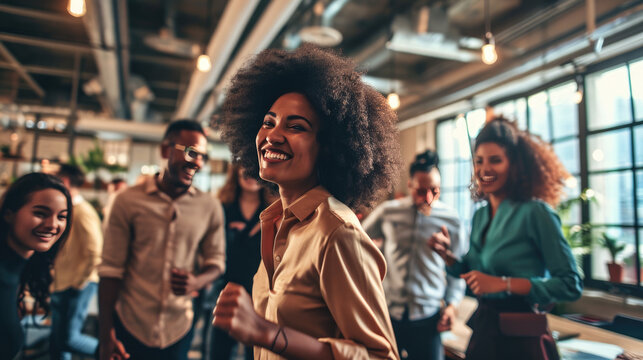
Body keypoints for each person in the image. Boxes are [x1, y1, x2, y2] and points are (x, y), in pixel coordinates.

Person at [212, 44, 401, 360]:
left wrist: (266, 333)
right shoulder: (276, 223)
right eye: (268, 122)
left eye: (296, 126)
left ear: (329, 147)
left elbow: (382, 356)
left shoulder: (337, 234)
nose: (272, 135)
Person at [429, 117, 583, 360]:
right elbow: (473, 270)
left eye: (495, 160)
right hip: (485, 332)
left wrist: (503, 283)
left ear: (515, 165)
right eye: (478, 161)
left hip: (521, 338)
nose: (484, 169)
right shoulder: (481, 216)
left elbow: (570, 284)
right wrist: (446, 255)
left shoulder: (536, 213)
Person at [98, 120, 226, 360]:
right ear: (166, 150)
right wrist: (105, 336)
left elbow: (217, 262)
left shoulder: (210, 207)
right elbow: (110, 270)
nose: (196, 162)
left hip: (179, 327)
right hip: (129, 323)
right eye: (190, 152)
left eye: (202, 156)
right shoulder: (127, 201)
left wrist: (196, 282)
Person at [362, 150, 467, 360]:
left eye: (434, 191)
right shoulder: (388, 212)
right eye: (421, 191)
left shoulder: (452, 220)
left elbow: (460, 270)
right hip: (387, 312)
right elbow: (357, 239)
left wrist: (452, 305)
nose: (428, 198)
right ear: (410, 185)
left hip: (428, 317)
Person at [205, 164, 274, 360]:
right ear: (235, 172)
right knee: (219, 350)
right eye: (244, 166)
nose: (248, 173)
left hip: (259, 290)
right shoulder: (223, 208)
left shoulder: (273, 211)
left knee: (254, 352)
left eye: (253, 166)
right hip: (225, 286)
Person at [0, 173, 72, 360]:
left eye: (62, 217)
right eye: (40, 213)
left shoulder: (21, 267)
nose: (52, 225)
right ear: (9, 214)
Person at [50, 164, 103, 360]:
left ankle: (113, 352)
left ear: (65, 182)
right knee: (57, 342)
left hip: (76, 284)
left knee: (68, 339)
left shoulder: (83, 212)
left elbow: (95, 253)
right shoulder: (69, 209)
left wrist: (79, 282)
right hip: (63, 282)